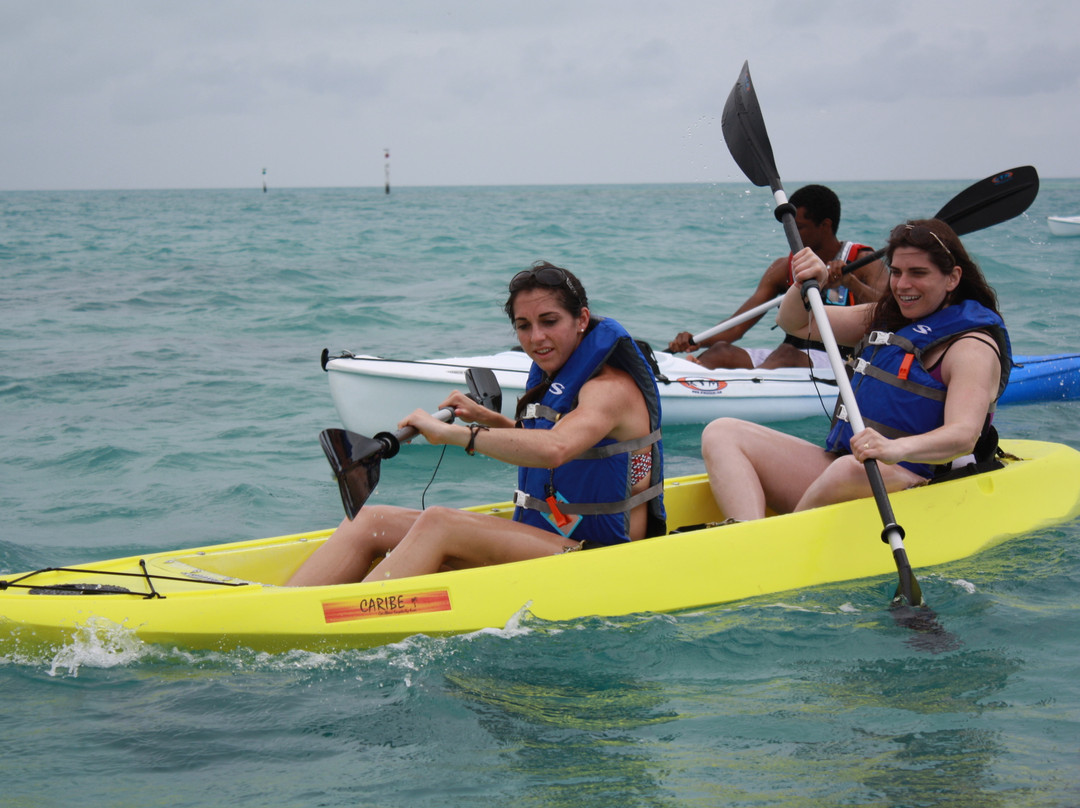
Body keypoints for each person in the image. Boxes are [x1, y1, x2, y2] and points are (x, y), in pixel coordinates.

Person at [286, 262, 665, 586]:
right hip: (546, 539)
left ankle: (342, 622)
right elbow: (557, 445)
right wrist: (490, 420)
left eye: (549, 322)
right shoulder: (560, 373)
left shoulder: (609, 389)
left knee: (440, 522)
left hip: (603, 560)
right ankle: (282, 608)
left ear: (582, 319)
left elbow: (556, 448)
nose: (537, 338)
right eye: (523, 326)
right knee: (370, 519)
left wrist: (455, 434)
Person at [699, 219, 1011, 521]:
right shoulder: (885, 318)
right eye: (897, 272)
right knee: (722, 432)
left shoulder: (972, 347)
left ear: (953, 278)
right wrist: (806, 281)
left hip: (916, 480)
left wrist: (892, 448)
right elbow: (795, 322)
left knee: (847, 469)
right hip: (853, 471)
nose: (903, 285)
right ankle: (748, 535)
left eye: (918, 273)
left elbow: (963, 436)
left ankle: (778, 544)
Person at [667, 184, 887, 369]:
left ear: (825, 225)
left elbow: (889, 314)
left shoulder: (863, 263)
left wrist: (851, 282)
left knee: (785, 354)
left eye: (799, 228)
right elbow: (736, 327)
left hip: (842, 361)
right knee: (720, 352)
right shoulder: (784, 268)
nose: (791, 235)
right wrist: (696, 340)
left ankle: (749, 387)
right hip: (789, 358)